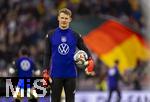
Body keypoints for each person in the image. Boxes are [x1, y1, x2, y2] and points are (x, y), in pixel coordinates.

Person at [43, 8, 94, 102]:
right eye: (62, 18)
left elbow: (84, 49)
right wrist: (45, 71)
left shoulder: (75, 35)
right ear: (58, 18)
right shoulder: (50, 35)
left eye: (66, 18)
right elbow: (47, 54)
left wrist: (90, 60)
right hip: (55, 75)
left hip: (71, 75)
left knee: (70, 100)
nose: (64, 20)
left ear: (70, 19)